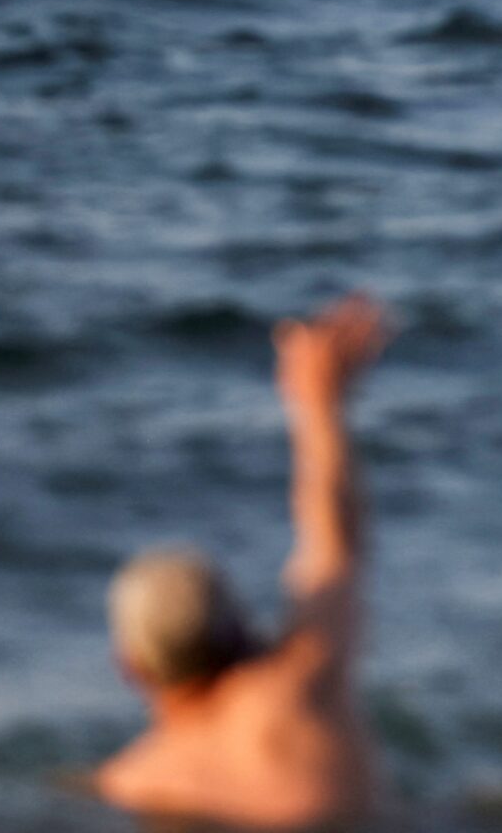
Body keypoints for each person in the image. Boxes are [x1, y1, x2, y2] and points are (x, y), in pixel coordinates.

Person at [91, 295, 392, 829]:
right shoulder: (300, 689)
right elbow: (334, 547)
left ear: (130, 669)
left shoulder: (131, 782)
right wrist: (317, 403)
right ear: (241, 626)